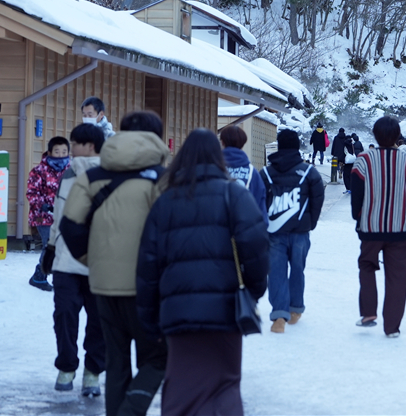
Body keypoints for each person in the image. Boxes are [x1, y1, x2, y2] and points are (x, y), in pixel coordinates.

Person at [136, 129, 268, 416]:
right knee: (225, 385)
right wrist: (253, 290)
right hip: (225, 311)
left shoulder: (165, 202)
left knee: (183, 388)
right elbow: (256, 245)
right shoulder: (234, 194)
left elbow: (147, 264)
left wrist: (149, 318)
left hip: (177, 312)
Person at [61, 110, 170, 416]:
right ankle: (130, 412)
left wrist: (93, 258)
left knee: (116, 359)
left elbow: (70, 226)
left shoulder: (91, 177)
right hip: (148, 286)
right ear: (156, 138)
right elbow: (173, 229)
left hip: (103, 282)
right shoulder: (164, 179)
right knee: (158, 357)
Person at [47, 124, 107, 396]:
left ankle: (92, 372)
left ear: (90, 146)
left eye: (75, 144)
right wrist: (50, 248)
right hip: (66, 261)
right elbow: (58, 216)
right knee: (65, 316)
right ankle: (68, 367)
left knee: (96, 320)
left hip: (101, 261)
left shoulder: (111, 175)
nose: (71, 149)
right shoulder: (67, 175)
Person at [350, 116, 406, 338]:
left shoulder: (363, 160)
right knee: (398, 277)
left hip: (371, 226)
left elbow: (357, 196)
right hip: (402, 228)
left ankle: (369, 313)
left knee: (367, 266)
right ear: (397, 136)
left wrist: (359, 217)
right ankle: (392, 327)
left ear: (375, 135)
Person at [260, 129, 325, 333]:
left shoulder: (266, 173)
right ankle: (295, 309)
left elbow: (259, 201)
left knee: (276, 271)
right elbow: (317, 199)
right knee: (298, 269)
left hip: (274, 231)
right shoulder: (309, 172)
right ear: (297, 146)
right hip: (300, 232)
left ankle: (279, 316)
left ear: (279, 146)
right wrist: (310, 223)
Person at [27, 136, 71, 292]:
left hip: (64, 215)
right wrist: (43, 205)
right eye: (57, 151)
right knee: (50, 245)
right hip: (43, 217)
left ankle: (48, 275)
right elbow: (31, 192)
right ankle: (39, 277)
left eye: (64, 151)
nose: (60, 154)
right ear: (50, 152)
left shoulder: (71, 170)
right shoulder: (39, 171)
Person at [219, 125, 267, 218]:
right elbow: (260, 204)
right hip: (245, 226)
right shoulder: (252, 172)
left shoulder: (214, 168)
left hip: (218, 227)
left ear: (222, 142)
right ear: (243, 143)